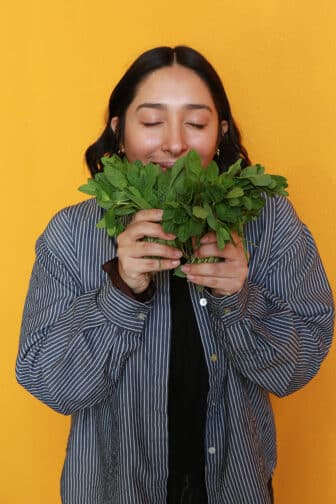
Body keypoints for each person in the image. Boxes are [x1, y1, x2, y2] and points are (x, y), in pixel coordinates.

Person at [16, 46, 334, 504]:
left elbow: (297, 368)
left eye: (197, 123)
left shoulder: (268, 221)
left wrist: (240, 299)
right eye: (150, 122)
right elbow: (51, 382)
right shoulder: (71, 233)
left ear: (221, 134)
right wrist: (121, 291)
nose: (175, 143)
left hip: (235, 490)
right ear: (119, 132)